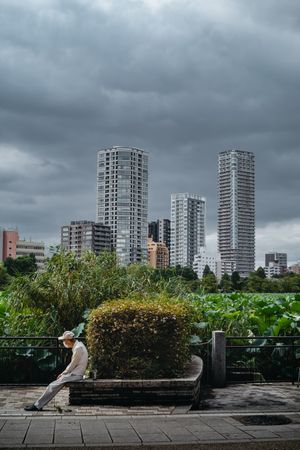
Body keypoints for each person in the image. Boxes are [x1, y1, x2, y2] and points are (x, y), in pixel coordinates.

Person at [24, 331, 88, 411]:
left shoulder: (78, 348)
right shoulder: (78, 345)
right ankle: (38, 405)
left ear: (68, 340)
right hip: (75, 374)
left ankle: (37, 406)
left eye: (64, 341)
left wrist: (63, 374)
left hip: (76, 375)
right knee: (53, 386)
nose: (63, 342)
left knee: (52, 386)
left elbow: (73, 364)